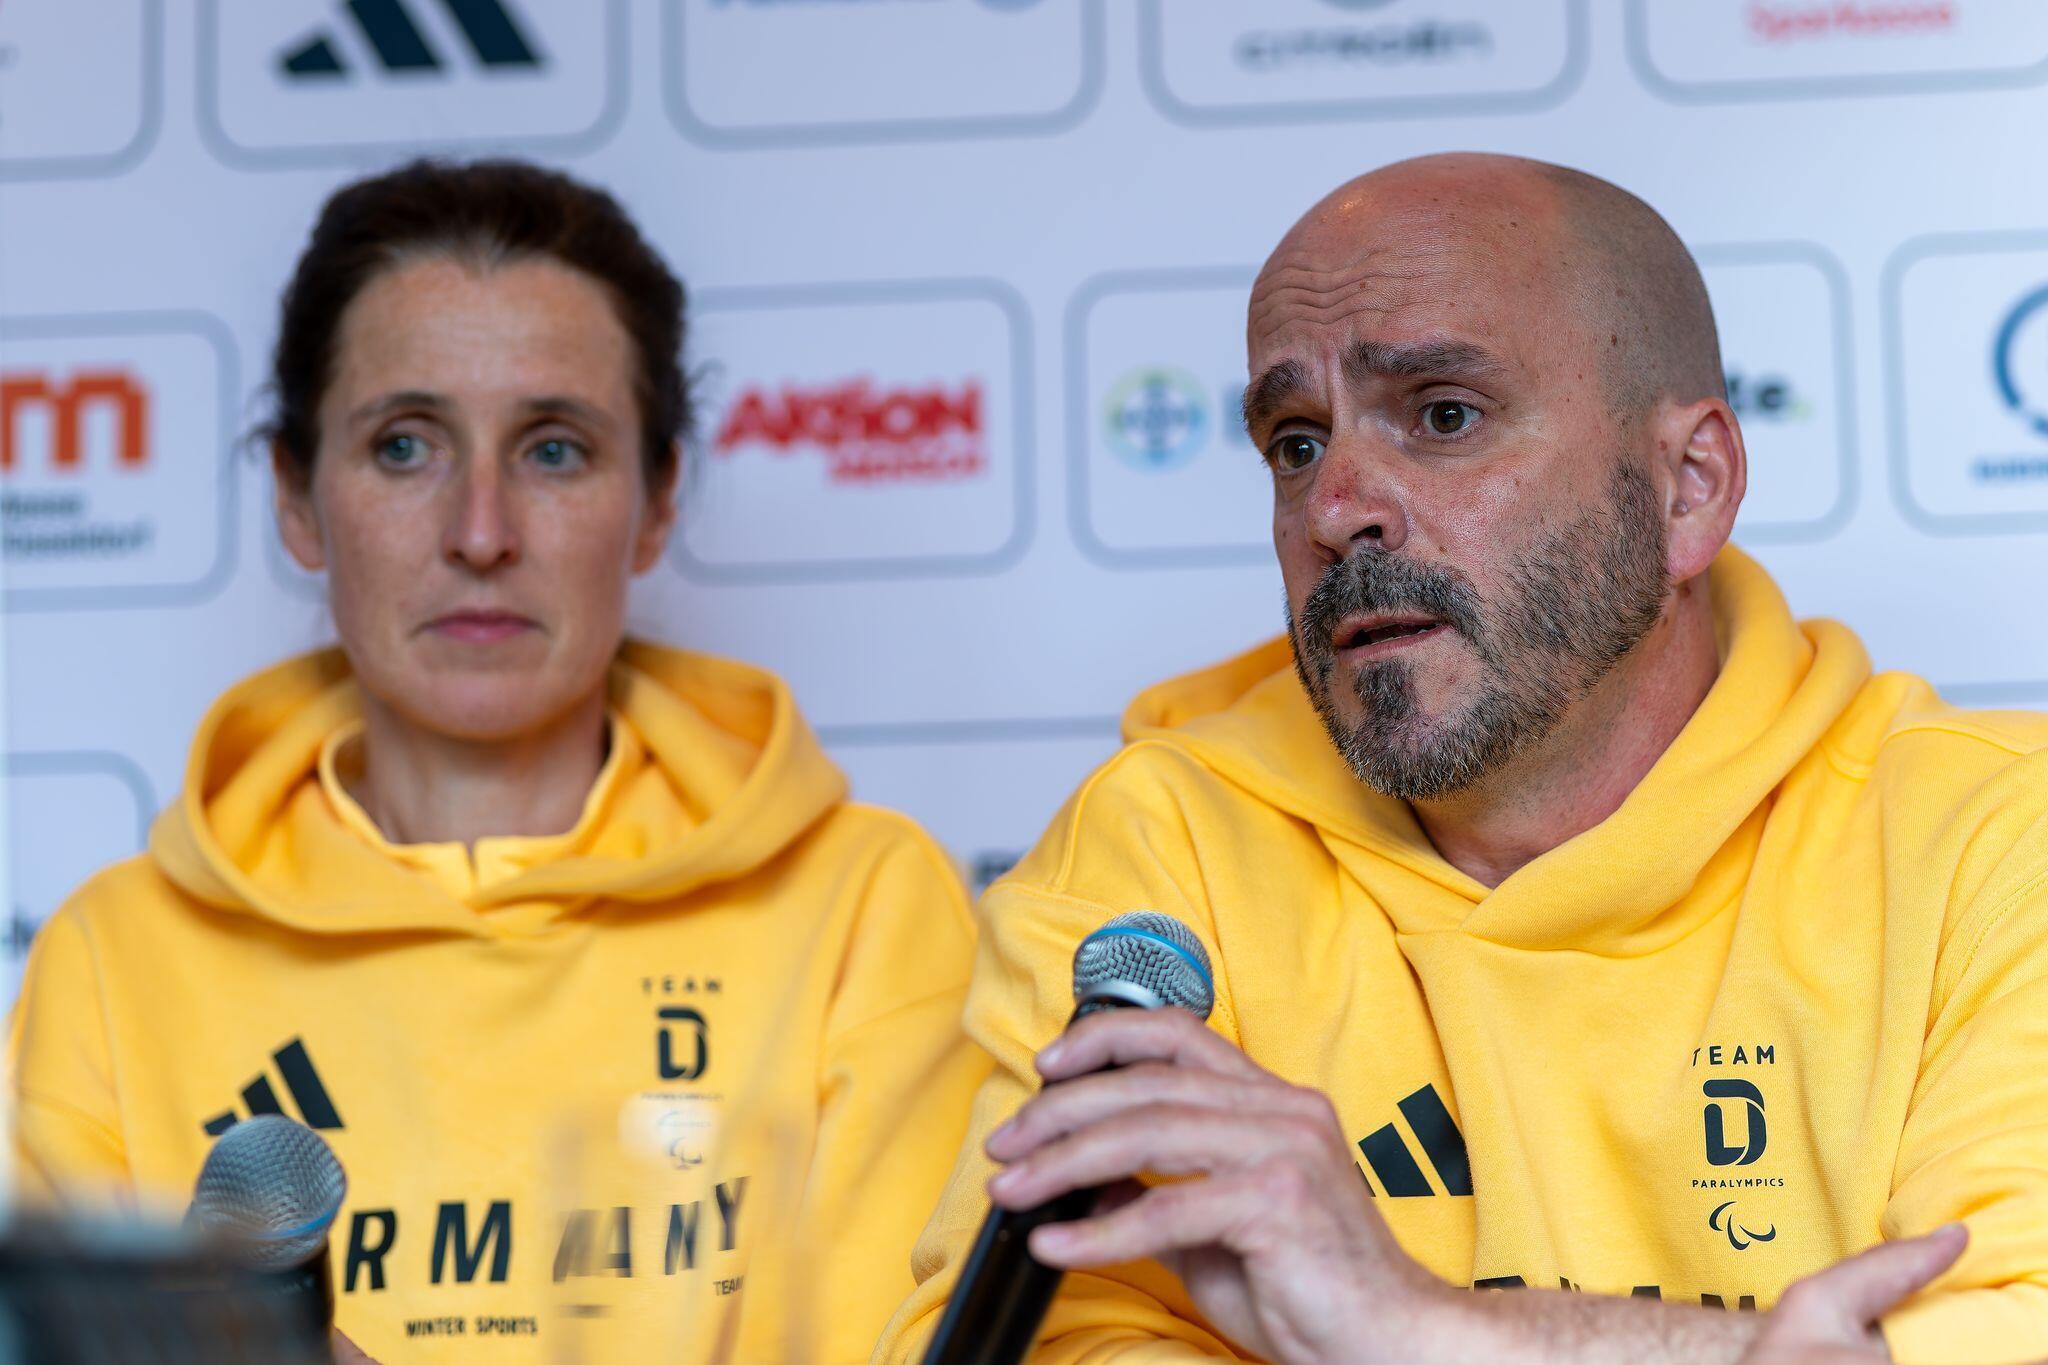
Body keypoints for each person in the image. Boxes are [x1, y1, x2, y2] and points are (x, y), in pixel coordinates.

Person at [878, 153, 2048, 1364]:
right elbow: (1021, 1344)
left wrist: (1415, 1326)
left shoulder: (1992, 837)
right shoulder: (1166, 851)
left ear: (1686, 486)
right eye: (1293, 442)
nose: (1335, 507)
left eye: (1443, 415)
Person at [8, 159, 984, 1364]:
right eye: (404, 447)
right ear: (297, 496)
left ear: (658, 499)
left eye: (554, 451)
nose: (480, 533)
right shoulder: (115, 961)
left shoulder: (866, 909)